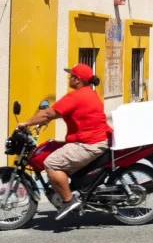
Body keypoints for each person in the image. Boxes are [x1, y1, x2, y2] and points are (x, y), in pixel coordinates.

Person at [16, 63, 112, 220]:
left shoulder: (75, 97)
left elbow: (48, 113)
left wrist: (26, 123)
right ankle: (73, 188)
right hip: (96, 139)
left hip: (89, 143)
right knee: (57, 149)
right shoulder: (89, 93)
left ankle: (68, 201)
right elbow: (60, 113)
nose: (69, 78)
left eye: (72, 75)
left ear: (78, 80)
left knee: (51, 163)